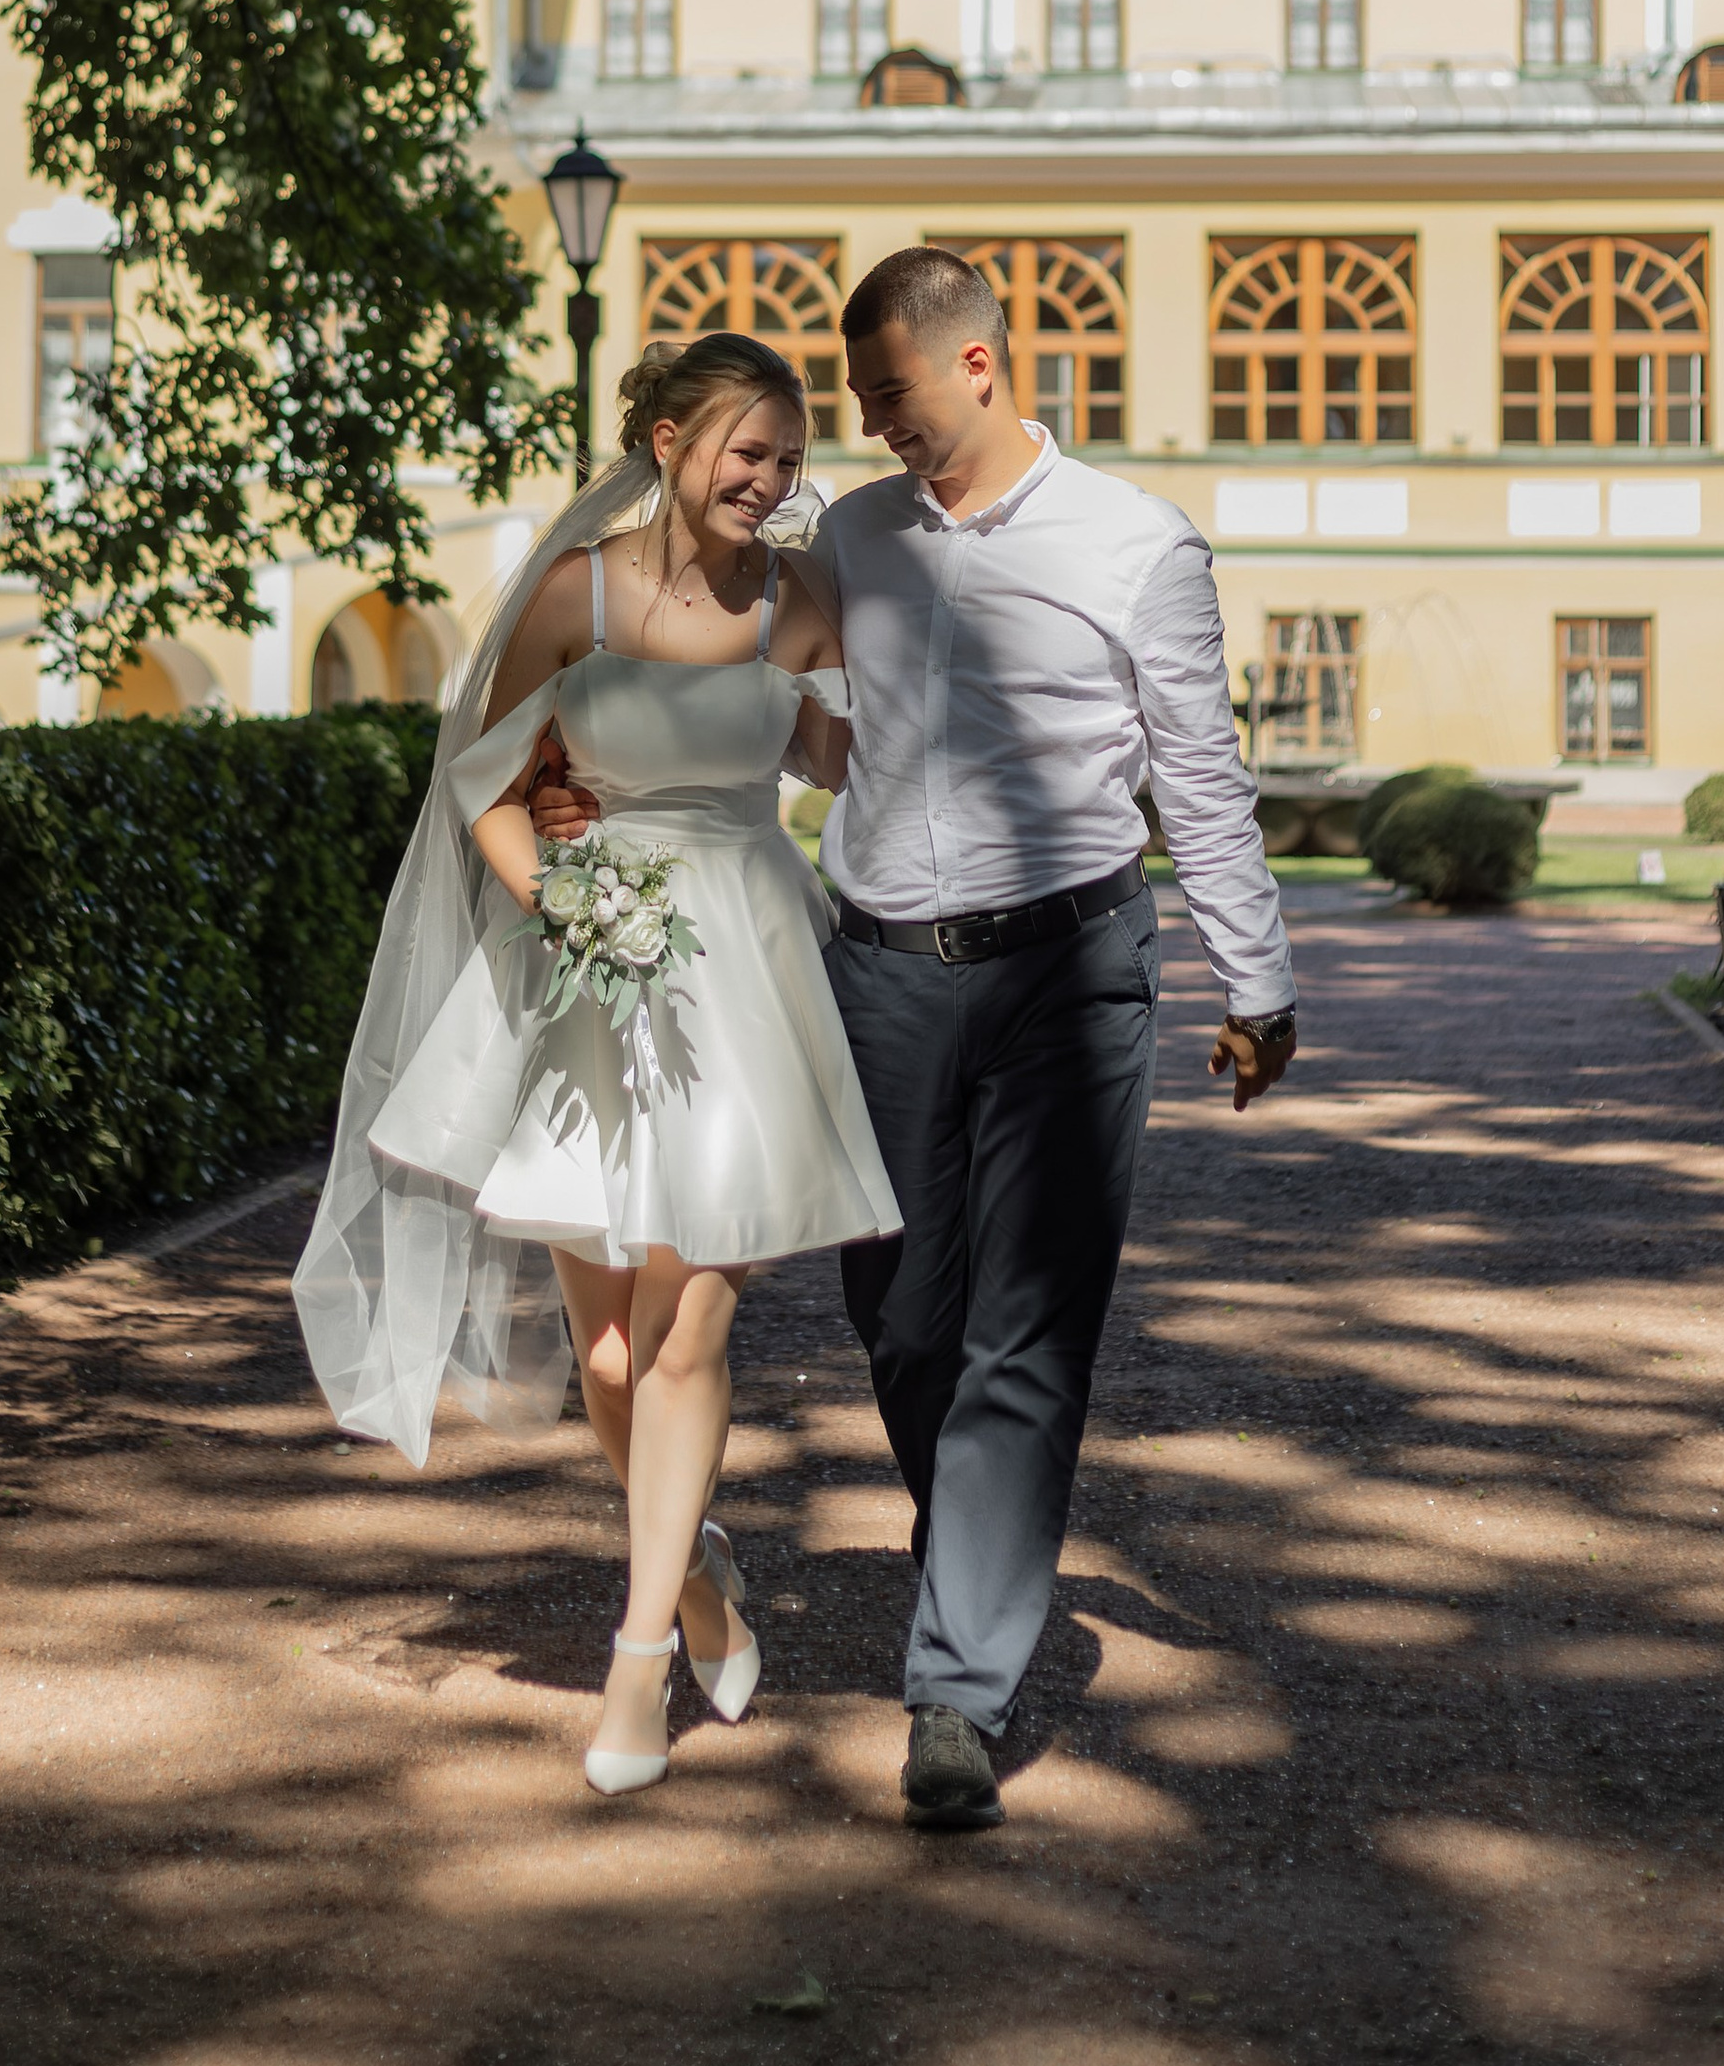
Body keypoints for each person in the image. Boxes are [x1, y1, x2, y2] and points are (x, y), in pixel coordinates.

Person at [292, 332, 900, 1800]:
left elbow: (835, 759)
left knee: (687, 1330)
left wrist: (869, 720)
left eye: (789, 455)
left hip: (748, 976)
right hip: (591, 974)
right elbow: (484, 781)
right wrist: (558, 900)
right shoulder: (579, 591)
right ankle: (695, 1587)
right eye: (746, 451)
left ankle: (636, 1664)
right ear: (672, 440)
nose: (770, 479)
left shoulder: (799, 597)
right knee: (613, 1354)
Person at [810, 246, 1297, 1830]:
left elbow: (1197, 772)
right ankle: (976, 1532)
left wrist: (1258, 978)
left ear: (974, 365)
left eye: (888, 390)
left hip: (1071, 971)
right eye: (859, 395)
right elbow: (800, 715)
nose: (872, 421)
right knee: (895, 1309)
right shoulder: (853, 538)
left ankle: (957, 1686)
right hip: (880, 967)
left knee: (1031, 1328)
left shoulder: (1136, 544)